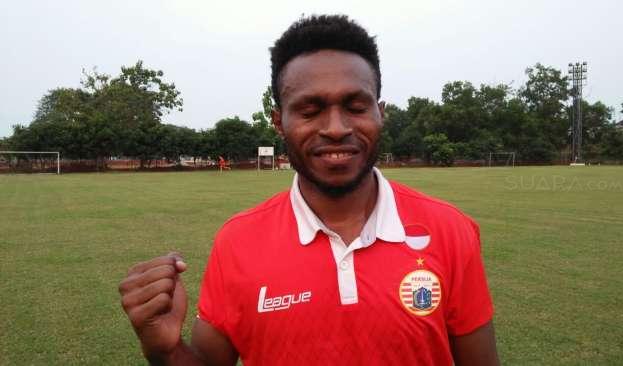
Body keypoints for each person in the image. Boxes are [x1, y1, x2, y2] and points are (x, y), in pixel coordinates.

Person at [118, 14, 500, 365]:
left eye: (355, 105)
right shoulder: (238, 241)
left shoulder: (450, 230)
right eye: (310, 109)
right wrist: (163, 347)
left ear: (379, 112)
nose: (336, 127)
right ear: (279, 122)